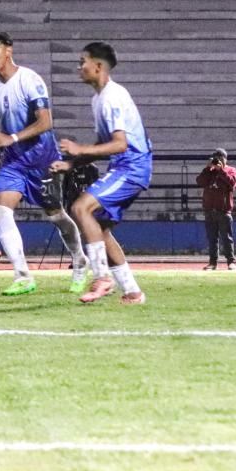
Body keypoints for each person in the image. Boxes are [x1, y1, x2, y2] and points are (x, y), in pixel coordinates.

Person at [0, 31, 89, 296]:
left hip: (43, 160)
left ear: (9, 50)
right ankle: (22, 275)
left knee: (56, 216)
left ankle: (80, 260)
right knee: (1, 211)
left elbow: (45, 122)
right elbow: (6, 127)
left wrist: (12, 138)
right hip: (14, 162)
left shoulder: (30, 79)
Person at [52, 42, 152, 305]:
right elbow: (101, 147)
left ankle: (101, 277)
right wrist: (72, 164)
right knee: (100, 230)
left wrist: (77, 148)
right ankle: (132, 291)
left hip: (132, 166)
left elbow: (120, 144)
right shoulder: (98, 99)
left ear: (98, 66)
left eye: (82, 61)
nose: (78, 66)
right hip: (123, 167)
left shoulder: (111, 97)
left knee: (81, 208)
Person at [197, 148, 236, 271]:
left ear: (225, 159)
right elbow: (199, 181)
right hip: (210, 210)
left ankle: (231, 262)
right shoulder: (210, 171)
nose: (217, 161)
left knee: (227, 238)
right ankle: (212, 262)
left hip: (224, 210)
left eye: (220, 158)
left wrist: (222, 171)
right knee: (212, 238)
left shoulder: (231, 170)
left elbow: (232, 183)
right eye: (215, 158)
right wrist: (207, 169)